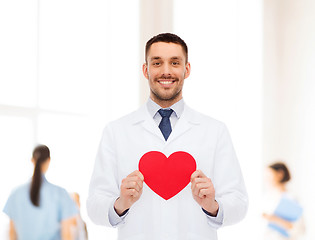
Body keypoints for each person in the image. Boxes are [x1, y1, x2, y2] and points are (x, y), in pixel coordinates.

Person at [87, 33, 248, 240]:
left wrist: (212, 206)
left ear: (186, 69)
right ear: (145, 70)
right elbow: (94, 204)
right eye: (157, 63)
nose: (166, 71)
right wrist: (121, 203)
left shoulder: (215, 131)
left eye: (174, 62)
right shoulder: (116, 131)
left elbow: (239, 202)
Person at [3, 145, 78, 240]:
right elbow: (66, 235)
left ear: (32, 160)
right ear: (49, 161)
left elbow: (12, 233)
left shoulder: (16, 194)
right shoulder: (61, 194)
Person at [262, 162, 305, 240]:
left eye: (269, 175)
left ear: (280, 174)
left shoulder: (291, 198)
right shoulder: (266, 197)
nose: (266, 179)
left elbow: (300, 229)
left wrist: (275, 219)